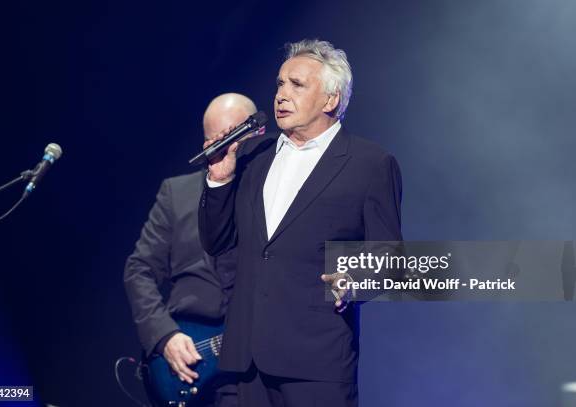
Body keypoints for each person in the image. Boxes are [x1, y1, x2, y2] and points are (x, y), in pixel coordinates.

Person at [199, 40, 403, 407]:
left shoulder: (370, 164)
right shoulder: (252, 156)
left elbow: (389, 257)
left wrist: (354, 282)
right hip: (246, 364)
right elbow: (217, 242)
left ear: (330, 100)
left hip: (315, 362)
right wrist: (219, 179)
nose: (281, 94)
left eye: (297, 85)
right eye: (279, 84)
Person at [124, 93, 259, 407]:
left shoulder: (274, 192)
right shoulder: (177, 192)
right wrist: (163, 336)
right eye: (217, 139)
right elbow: (138, 270)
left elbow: (394, 269)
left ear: (257, 133)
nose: (228, 145)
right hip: (197, 355)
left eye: (237, 135)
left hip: (262, 362)